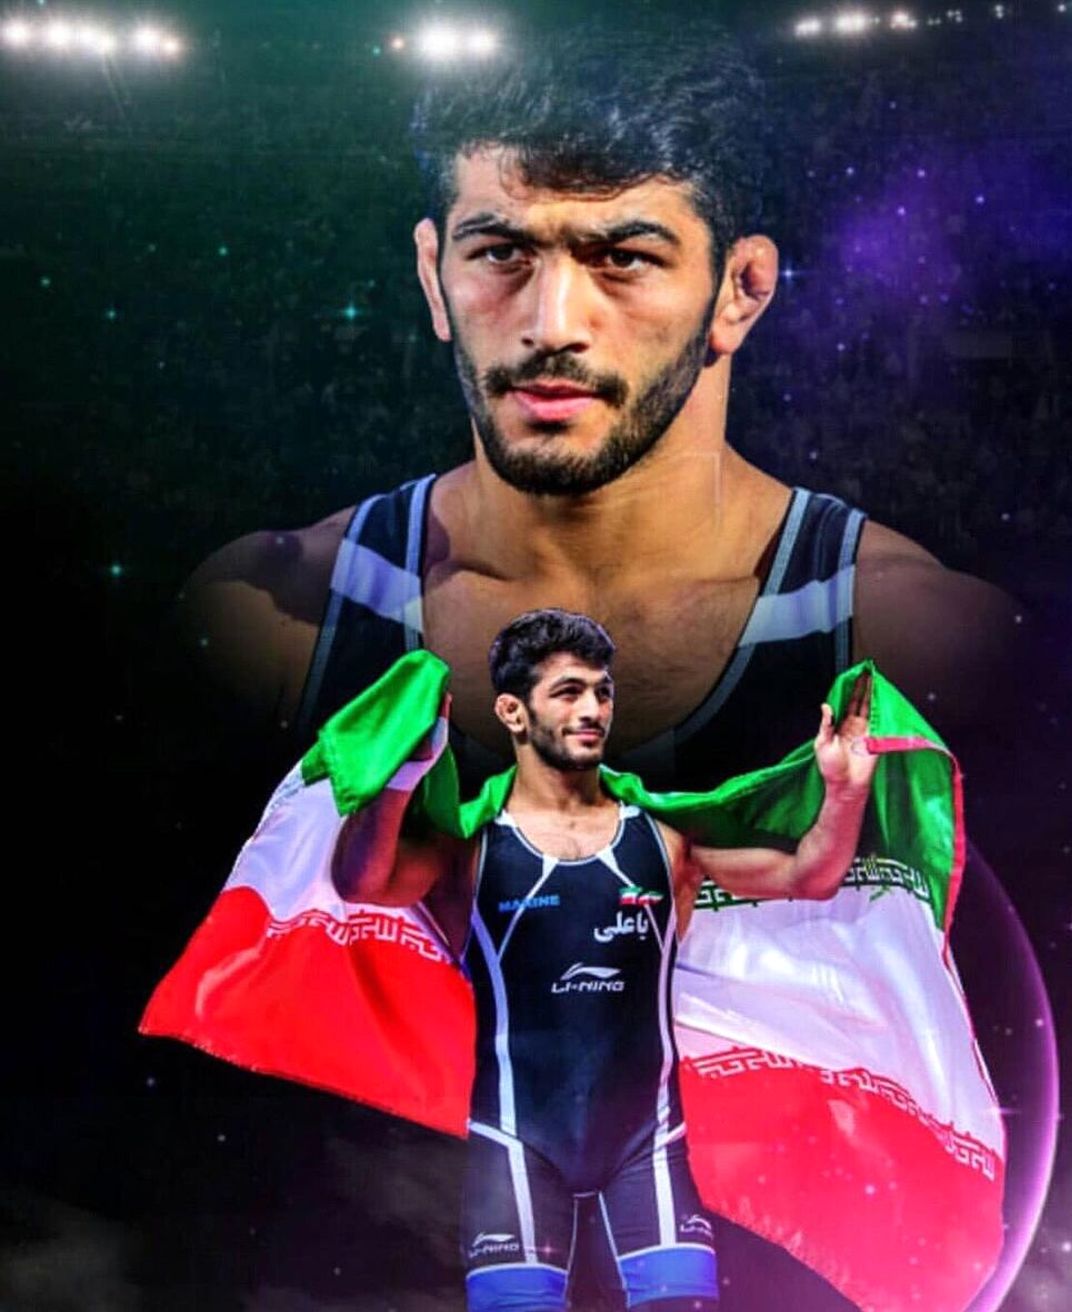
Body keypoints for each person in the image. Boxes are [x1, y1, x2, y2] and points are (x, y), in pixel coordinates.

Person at [178, 22, 1019, 794]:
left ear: (740, 289)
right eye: (500, 252)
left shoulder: (916, 642)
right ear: (434, 278)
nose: (552, 326)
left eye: (622, 258)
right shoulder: (272, 618)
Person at [328, 608, 877, 1312]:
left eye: (602, 692)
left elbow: (809, 875)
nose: (592, 710)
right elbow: (361, 882)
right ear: (513, 712)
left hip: (650, 1149)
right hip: (516, 1151)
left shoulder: (664, 843)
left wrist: (846, 790)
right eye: (568, 692)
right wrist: (403, 774)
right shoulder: (472, 849)